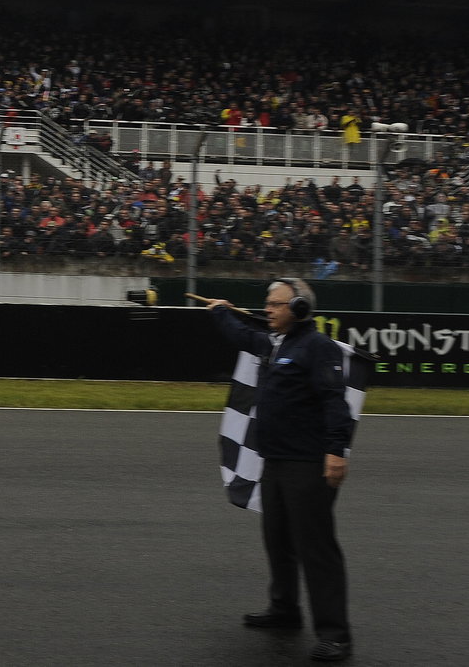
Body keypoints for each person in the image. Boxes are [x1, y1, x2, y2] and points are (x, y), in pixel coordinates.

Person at [201, 278, 354, 662]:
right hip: (276, 462)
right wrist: (220, 310)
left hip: (308, 465)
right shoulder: (275, 343)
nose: (267, 310)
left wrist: (336, 452)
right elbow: (241, 335)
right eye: (266, 304)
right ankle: (285, 610)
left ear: (299, 308)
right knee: (278, 540)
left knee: (316, 549)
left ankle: (335, 634)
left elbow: (336, 402)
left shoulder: (318, 348)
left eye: (275, 304)